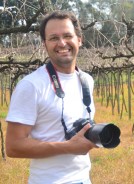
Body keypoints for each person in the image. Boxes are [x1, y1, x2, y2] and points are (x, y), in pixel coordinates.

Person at [5, 11, 96, 184]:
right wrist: (68, 148)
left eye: (68, 35)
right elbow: (13, 147)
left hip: (84, 179)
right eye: (54, 38)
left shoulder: (86, 80)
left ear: (79, 40)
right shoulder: (31, 85)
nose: (62, 43)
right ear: (45, 45)